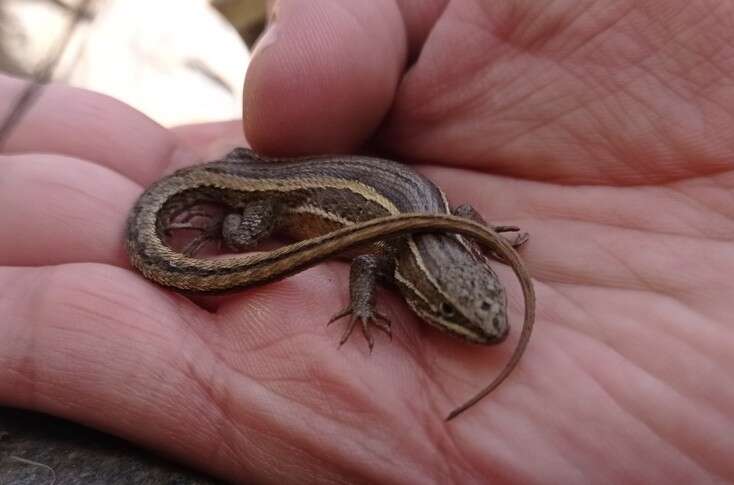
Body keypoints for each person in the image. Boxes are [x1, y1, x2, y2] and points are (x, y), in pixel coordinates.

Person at [1, 1, 732, 482]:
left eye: (472, 311)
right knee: (241, 227)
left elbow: (450, 222)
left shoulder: (438, 239)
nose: (484, 324)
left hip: (303, 177)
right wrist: (350, 299)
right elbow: (377, 259)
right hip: (271, 187)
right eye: (463, 312)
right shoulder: (401, 253)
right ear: (430, 296)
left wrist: (473, 239)